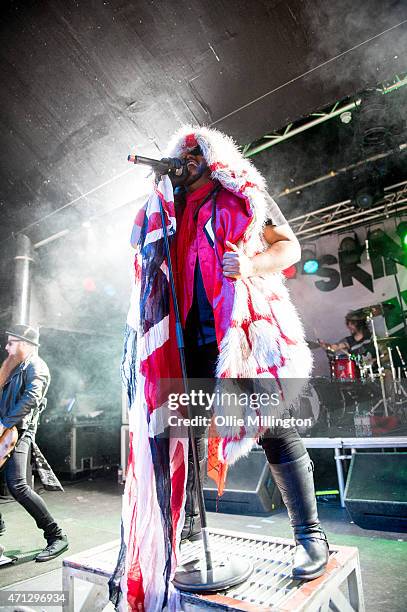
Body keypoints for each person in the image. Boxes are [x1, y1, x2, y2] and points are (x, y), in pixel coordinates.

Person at [112, 127, 328, 611]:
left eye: (194, 154)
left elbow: (288, 247)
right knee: (182, 433)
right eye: (180, 156)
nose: (185, 161)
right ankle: (186, 532)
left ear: (211, 156)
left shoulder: (243, 192)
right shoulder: (165, 208)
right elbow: (137, 252)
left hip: (241, 331)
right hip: (186, 340)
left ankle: (310, 536)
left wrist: (249, 265)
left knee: (274, 427)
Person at [0, 324, 68, 561]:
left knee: (18, 485)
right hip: (5, 429)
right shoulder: (14, 365)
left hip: (19, 431)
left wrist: (4, 423)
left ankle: (56, 536)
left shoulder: (36, 367)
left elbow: (31, 399)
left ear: (25, 344)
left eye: (11, 343)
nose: (7, 347)